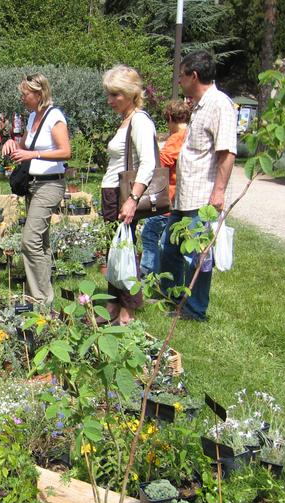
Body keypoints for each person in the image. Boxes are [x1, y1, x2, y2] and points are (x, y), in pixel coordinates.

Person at [160, 51, 237, 321]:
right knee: (169, 249)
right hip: (184, 196)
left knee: (198, 257)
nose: (179, 81)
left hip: (202, 197)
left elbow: (227, 152)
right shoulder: (200, 105)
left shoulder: (219, 104)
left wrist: (219, 192)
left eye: (181, 76)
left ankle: (195, 310)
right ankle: (173, 299)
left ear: (194, 76)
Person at [1, 73, 71, 304]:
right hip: (33, 184)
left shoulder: (55, 117)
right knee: (41, 242)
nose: (22, 98)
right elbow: (24, 147)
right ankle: (42, 298)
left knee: (30, 241)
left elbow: (66, 151)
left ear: (39, 94)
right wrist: (12, 143)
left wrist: (35, 154)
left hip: (50, 184)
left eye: (25, 94)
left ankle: (40, 298)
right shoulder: (32, 117)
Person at [100, 65, 158, 325]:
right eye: (109, 94)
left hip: (123, 194)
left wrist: (132, 199)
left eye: (116, 94)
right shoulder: (126, 120)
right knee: (115, 251)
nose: (110, 100)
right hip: (113, 193)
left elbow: (148, 163)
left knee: (125, 251)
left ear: (132, 93)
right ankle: (114, 304)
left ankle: (128, 311)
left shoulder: (140, 121)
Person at [140, 100, 191, 277]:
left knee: (149, 235)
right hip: (180, 198)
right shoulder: (190, 135)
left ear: (170, 117)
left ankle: (149, 277)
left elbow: (161, 163)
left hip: (167, 199)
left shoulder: (177, 137)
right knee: (170, 244)